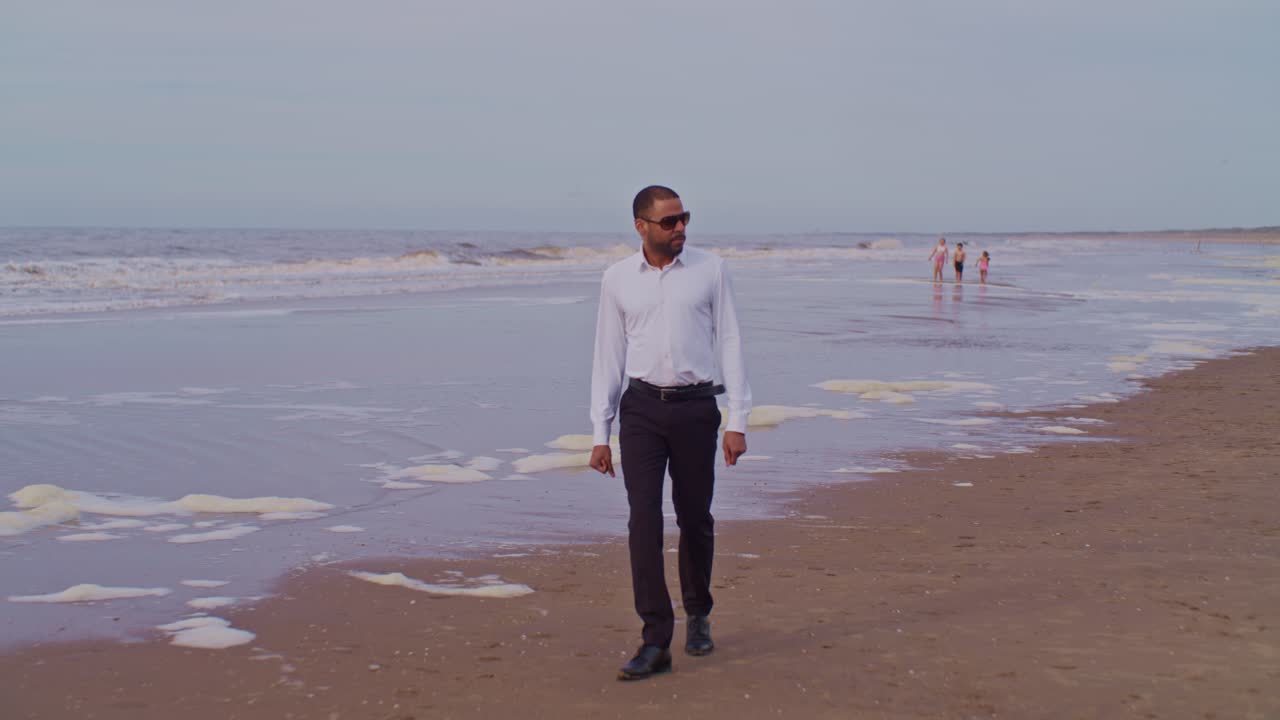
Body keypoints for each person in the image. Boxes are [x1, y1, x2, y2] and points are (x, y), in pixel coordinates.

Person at [589, 185, 751, 681]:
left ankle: (698, 612)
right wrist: (601, 430)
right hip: (640, 409)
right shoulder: (617, 278)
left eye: (684, 219)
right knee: (644, 521)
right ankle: (655, 638)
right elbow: (608, 354)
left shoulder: (710, 270)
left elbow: (729, 339)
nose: (680, 228)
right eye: (669, 222)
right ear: (641, 226)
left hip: (697, 408)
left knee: (695, 516)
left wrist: (736, 420)